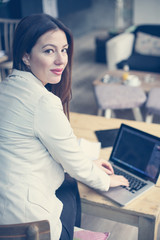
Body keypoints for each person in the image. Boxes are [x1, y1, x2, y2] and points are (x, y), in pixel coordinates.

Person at [0, 13, 129, 240]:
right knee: (70, 187)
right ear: (26, 56)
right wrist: (107, 181)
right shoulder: (42, 101)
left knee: (68, 185)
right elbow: (73, 164)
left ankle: (78, 233)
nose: (61, 60)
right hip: (28, 225)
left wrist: (87, 163)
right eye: (49, 51)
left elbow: (47, 151)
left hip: (6, 211)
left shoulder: (6, 88)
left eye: (64, 49)